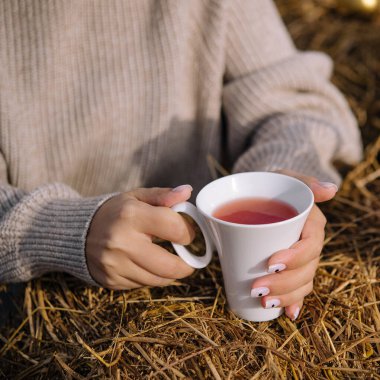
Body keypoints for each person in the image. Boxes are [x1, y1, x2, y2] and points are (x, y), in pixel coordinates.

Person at [0, 0, 362, 322]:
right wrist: (58, 230)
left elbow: (298, 104)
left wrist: (276, 177)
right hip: (27, 307)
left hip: (202, 276)